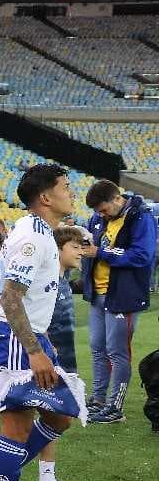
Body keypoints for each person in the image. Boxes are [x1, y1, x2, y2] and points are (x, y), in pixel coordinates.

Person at [0, 164, 86, 481]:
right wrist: (34, 351)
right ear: (45, 197)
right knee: (16, 427)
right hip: (14, 340)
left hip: (29, 337)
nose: (72, 193)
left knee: (61, 415)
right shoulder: (33, 239)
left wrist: (42, 343)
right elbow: (9, 296)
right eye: (66, 187)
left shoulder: (40, 233)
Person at [83, 180, 156, 424]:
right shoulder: (100, 219)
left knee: (117, 352)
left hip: (123, 296)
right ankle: (99, 399)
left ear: (117, 199)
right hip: (99, 293)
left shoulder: (140, 217)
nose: (100, 215)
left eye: (103, 209)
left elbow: (143, 255)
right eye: (97, 212)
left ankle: (116, 407)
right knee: (97, 349)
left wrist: (101, 253)